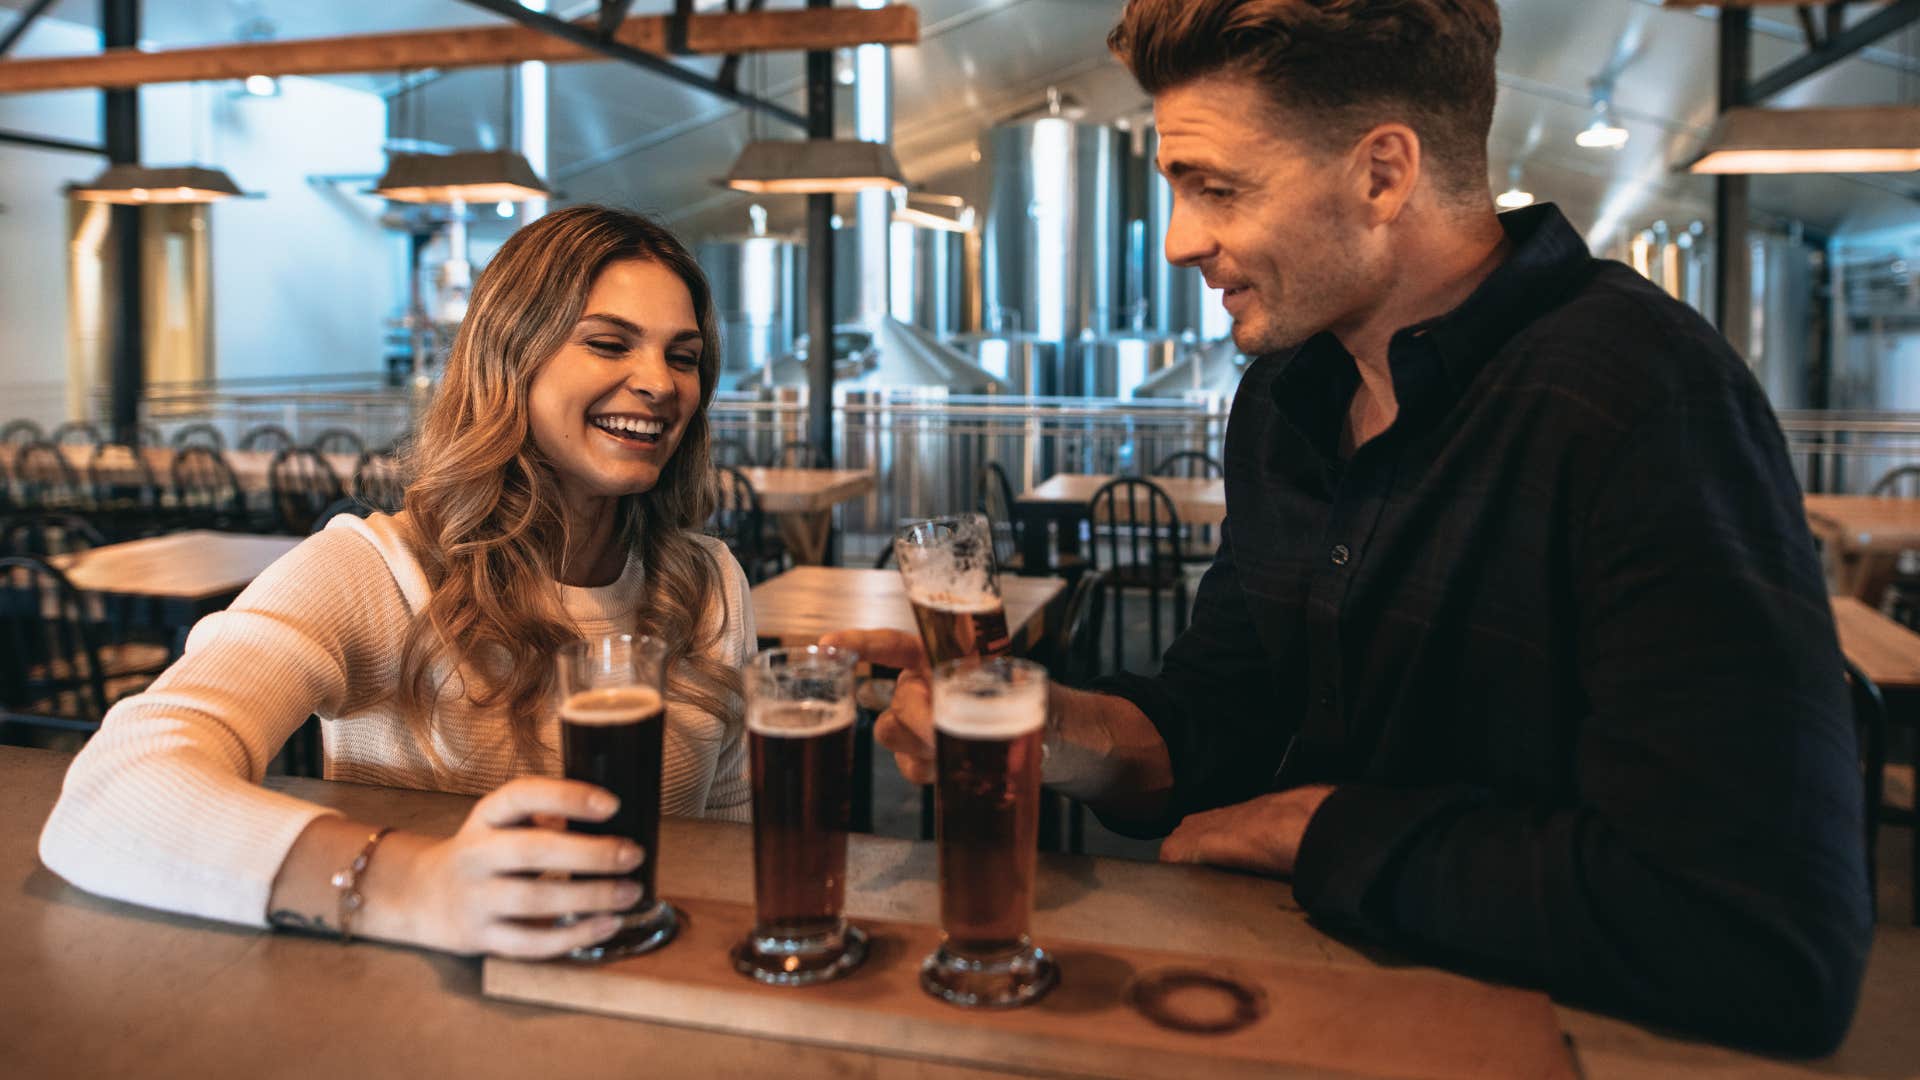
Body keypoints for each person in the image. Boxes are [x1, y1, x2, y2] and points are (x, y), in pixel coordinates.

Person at [830, 0, 1871, 1054]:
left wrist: (1318, 828)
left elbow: (1764, 937)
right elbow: (1229, 707)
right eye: (1174, 188)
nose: (1183, 239)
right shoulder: (1287, 395)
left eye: (1216, 187)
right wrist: (1062, 734)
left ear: (1383, 172)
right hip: (1296, 1012)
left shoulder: (1640, 397)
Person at [40, 205, 755, 959]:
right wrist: (420, 884)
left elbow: (727, 852)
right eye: (609, 344)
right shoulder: (376, 573)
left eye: (684, 356)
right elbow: (114, 790)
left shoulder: (707, 585)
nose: (660, 383)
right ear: (510, 358)